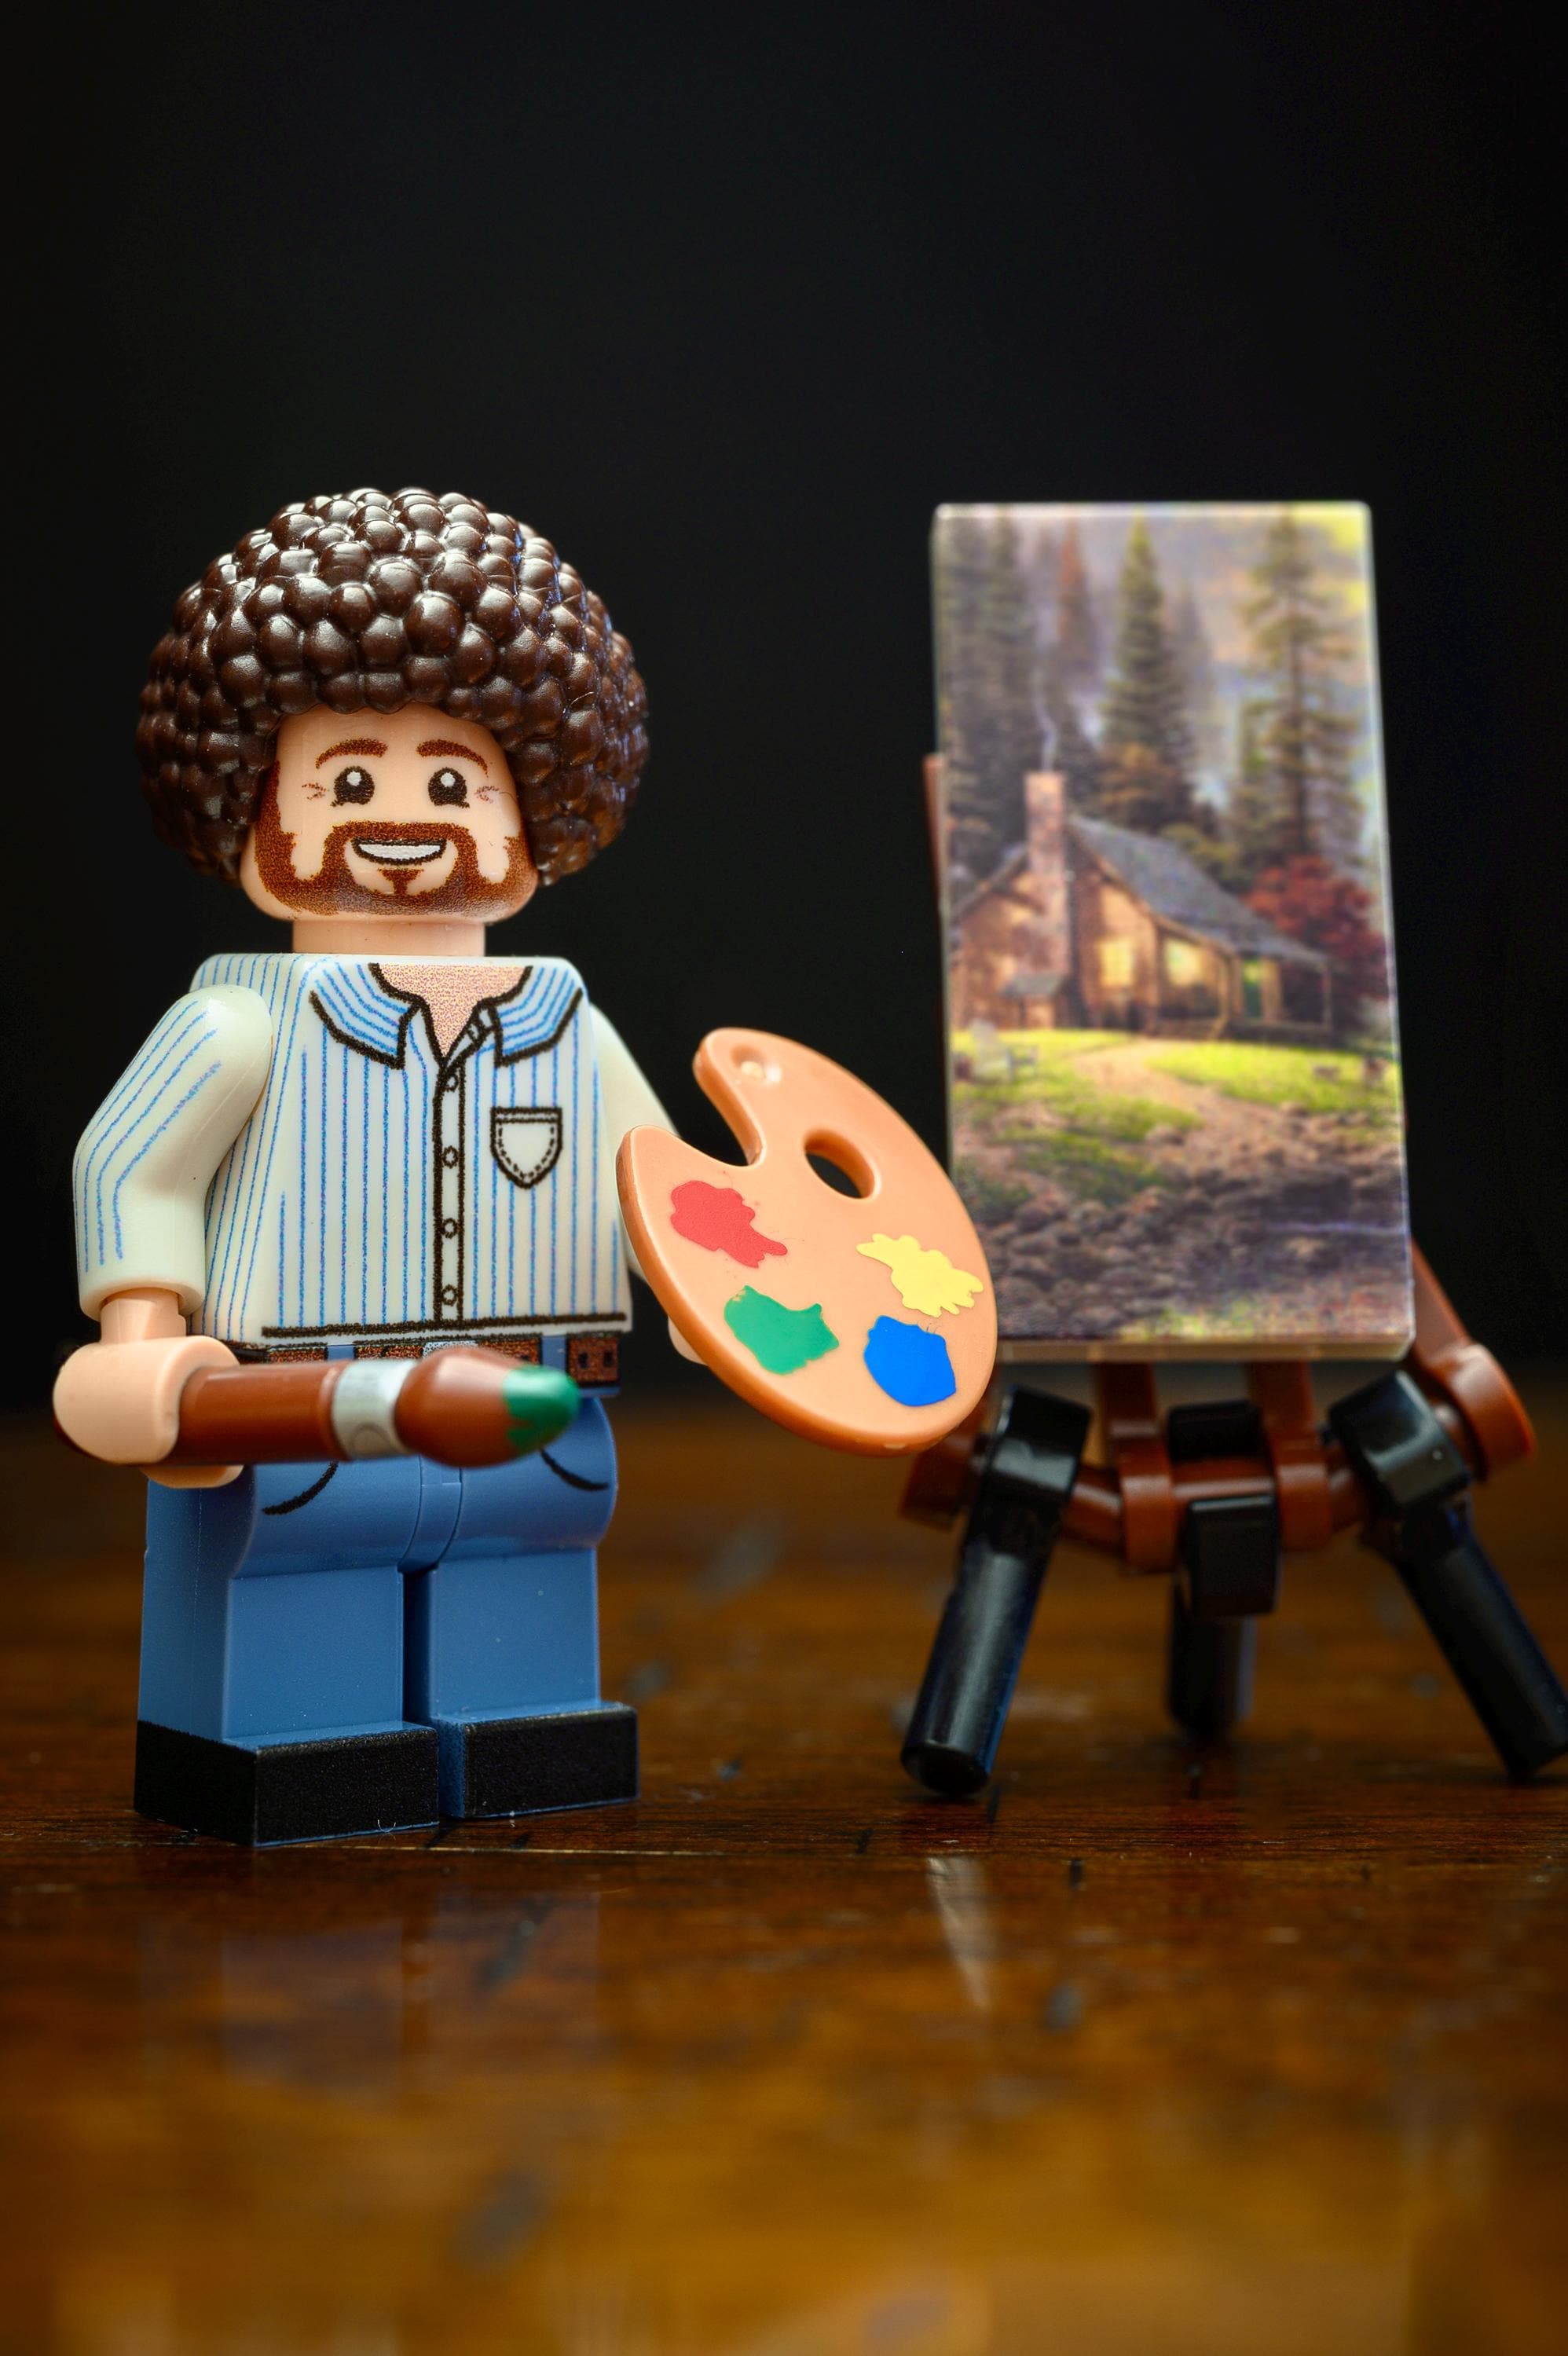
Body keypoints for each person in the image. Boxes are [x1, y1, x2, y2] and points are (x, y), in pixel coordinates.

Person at [54, 487, 676, 1843]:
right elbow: (134, 1164)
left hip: (537, 1387)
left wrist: (723, 1291)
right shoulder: (242, 1023)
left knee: (528, 1549)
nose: (403, 819)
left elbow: (660, 1185)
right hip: (293, 1399)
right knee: (295, 1565)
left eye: (453, 783)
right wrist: (144, 1330)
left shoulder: (565, 1024)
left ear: (539, 809)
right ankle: (293, 1750)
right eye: (345, 782)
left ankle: (522, 1734)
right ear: (247, 808)